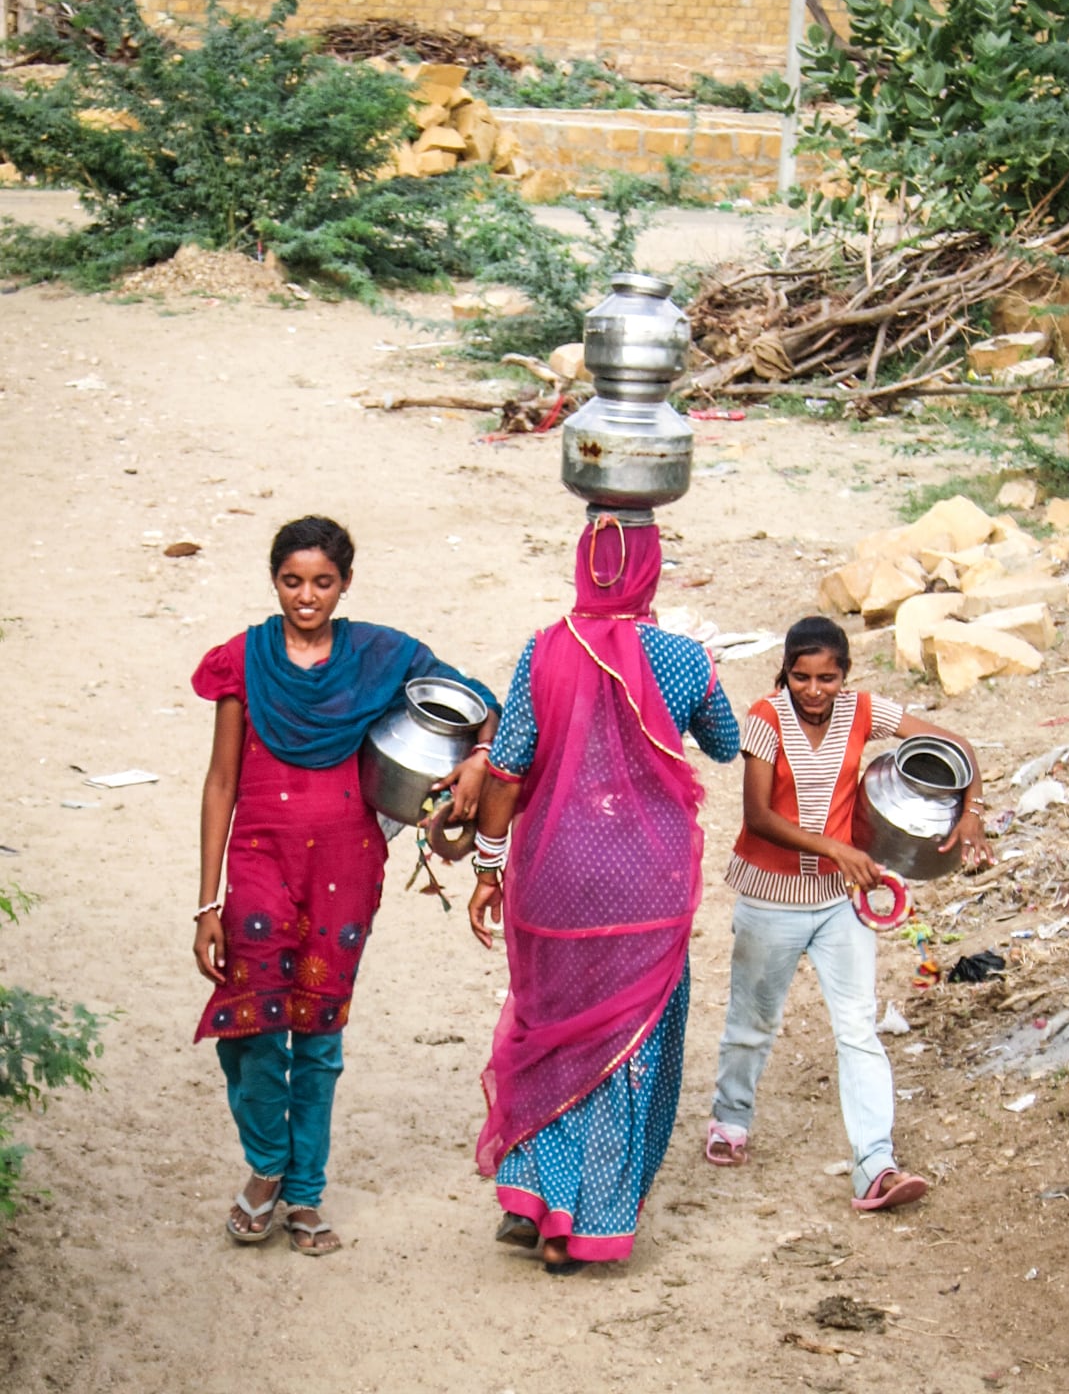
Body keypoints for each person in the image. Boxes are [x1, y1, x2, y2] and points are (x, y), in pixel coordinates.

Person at [192, 515, 498, 1255]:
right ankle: (268, 1166)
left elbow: (477, 704)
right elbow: (222, 780)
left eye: (322, 582)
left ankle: (305, 1195)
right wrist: (207, 902)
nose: (307, 596)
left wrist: (481, 758)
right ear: (274, 581)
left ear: (346, 584)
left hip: (347, 868)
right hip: (260, 862)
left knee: (318, 1032)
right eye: (293, 581)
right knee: (251, 1026)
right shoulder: (244, 660)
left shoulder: (382, 656)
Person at [467, 514, 740, 1274]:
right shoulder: (684, 661)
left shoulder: (545, 648)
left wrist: (489, 866)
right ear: (650, 573)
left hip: (555, 879)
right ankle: (580, 1221)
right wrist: (703, 670)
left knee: (552, 1025)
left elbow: (510, 766)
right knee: (630, 1043)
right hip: (644, 886)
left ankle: (534, 1198)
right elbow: (722, 744)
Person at [706, 615, 994, 1211]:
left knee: (858, 1028)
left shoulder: (863, 710)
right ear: (785, 673)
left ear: (845, 675)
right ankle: (730, 1120)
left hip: (840, 902)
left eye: (828, 678)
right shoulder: (765, 718)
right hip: (770, 898)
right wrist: (838, 848)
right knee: (753, 1023)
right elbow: (758, 816)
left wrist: (972, 809)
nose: (815, 690)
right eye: (802, 677)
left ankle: (876, 1165)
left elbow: (957, 745)